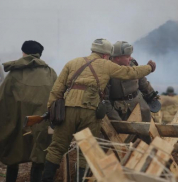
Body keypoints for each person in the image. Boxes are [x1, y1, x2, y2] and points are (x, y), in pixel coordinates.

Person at [41, 38, 156, 182]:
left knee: (56, 149)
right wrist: (149, 68)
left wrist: (51, 112)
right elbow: (130, 73)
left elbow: (56, 91)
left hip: (67, 110)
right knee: (86, 150)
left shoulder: (72, 63)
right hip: (90, 112)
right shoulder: (106, 65)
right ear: (105, 55)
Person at [0, 40, 57, 182]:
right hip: (42, 122)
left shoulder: (14, 73)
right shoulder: (51, 73)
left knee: (14, 152)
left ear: (23, 53)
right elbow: (57, 97)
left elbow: (1, 100)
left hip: (18, 122)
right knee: (38, 158)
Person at [105, 41, 154, 124]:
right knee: (125, 136)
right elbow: (106, 101)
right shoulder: (107, 71)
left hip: (140, 106)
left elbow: (142, 81)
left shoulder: (132, 64)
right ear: (118, 58)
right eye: (127, 56)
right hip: (121, 112)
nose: (130, 58)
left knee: (147, 132)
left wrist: (151, 95)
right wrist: (117, 120)